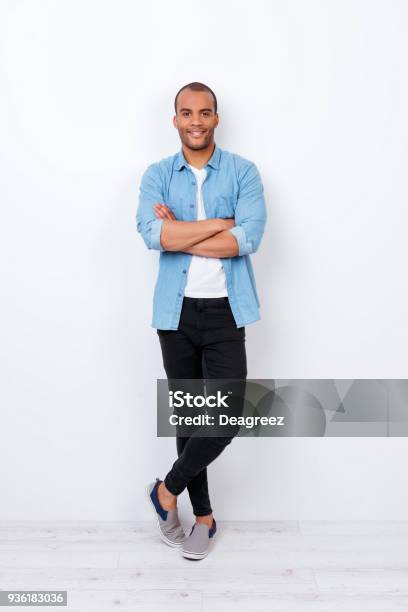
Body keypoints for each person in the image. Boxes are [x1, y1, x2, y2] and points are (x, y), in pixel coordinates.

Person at [136, 81, 267, 560]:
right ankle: (205, 520)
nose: (196, 120)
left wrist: (181, 233)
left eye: (205, 112)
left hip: (227, 311)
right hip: (175, 314)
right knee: (191, 418)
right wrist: (218, 223)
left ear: (216, 119)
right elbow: (153, 234)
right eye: (186, 113)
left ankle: (165, 492)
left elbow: (247, 239)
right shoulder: (156, 175)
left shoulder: (243, 172)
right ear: (175, 120)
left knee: (226, 415)